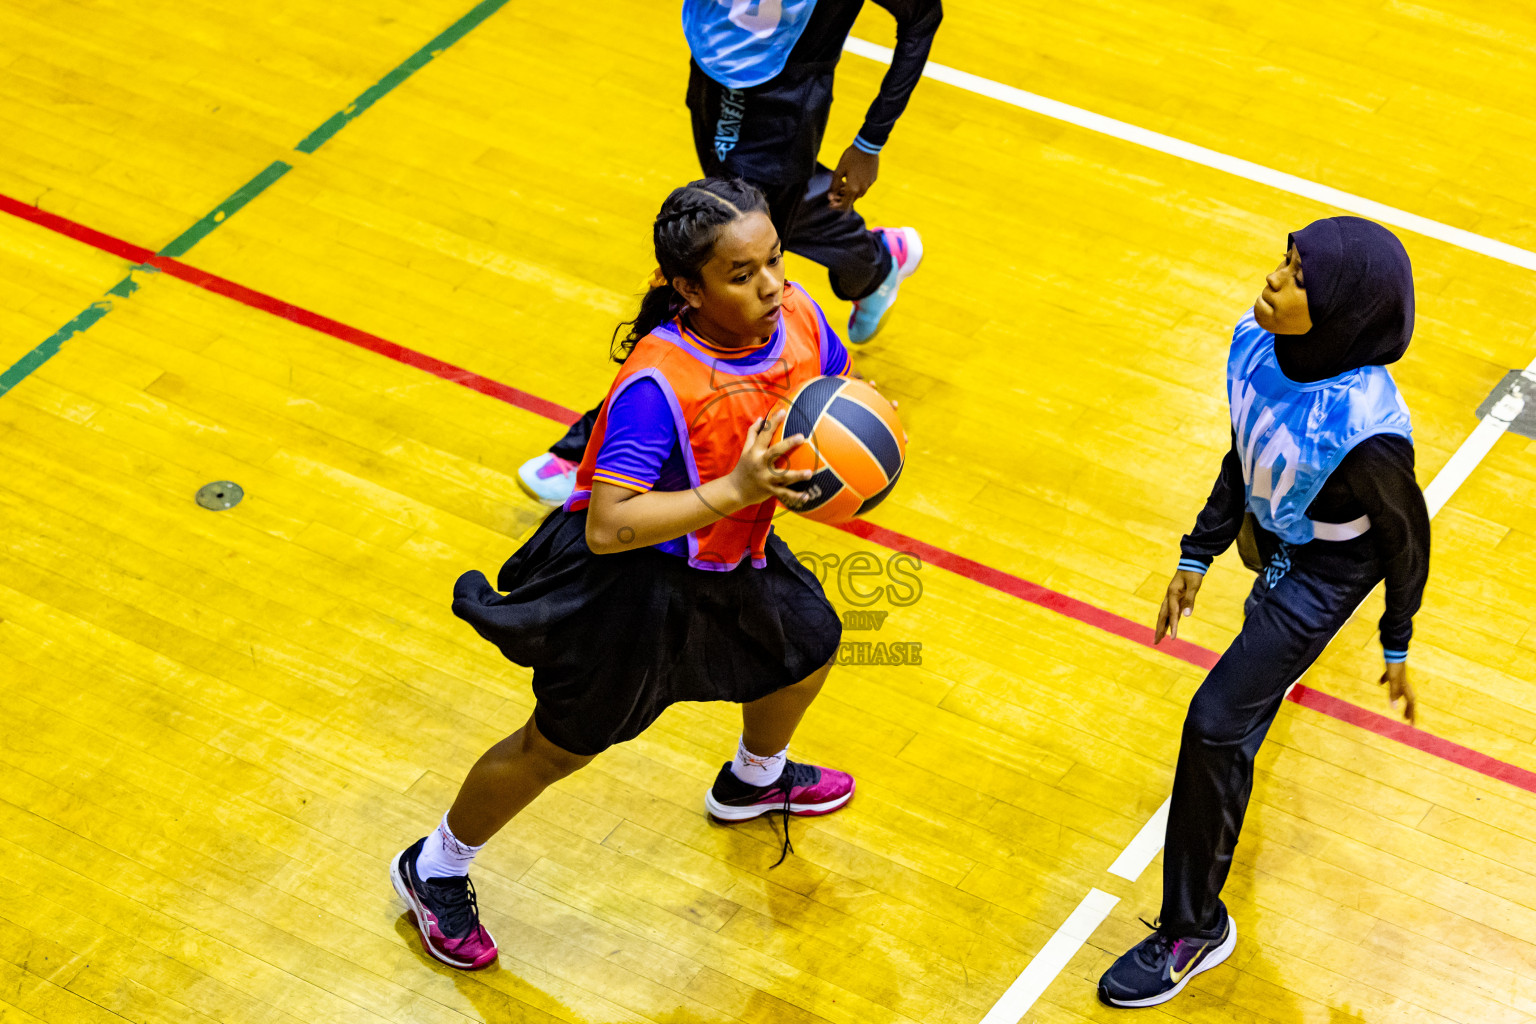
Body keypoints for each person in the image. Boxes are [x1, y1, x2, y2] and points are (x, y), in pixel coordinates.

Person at [391, 178, 859, 971]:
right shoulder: (658, 382)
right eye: (741, 274)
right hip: (631, 585)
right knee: (558, 748)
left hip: (730, 554)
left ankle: (753, 779)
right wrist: (735, 491)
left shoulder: (801, 317)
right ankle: (434, 866)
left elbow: (832, 394)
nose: (772, 284)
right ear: (688, 288)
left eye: (774, 259)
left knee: (808, 644)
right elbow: (610, 527)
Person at [1097, 217, 1431, 1007]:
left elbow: (1405, 540)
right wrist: (1196, 553)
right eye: (1283, 263)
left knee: (1214, 720)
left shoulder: (1371, 436)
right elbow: (1246, 448)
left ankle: (1193, 928)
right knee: (1241, 703)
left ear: (1344, 314)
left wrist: (1396, 639)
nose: (1276, 280)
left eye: (1299, 279)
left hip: (1327, 569)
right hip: (1277, 530)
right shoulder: (1259, 345)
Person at [518, 0, 941, 506]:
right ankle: (872, 261)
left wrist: (870, 141)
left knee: (714, 274)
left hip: (785, 110)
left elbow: (922, 16)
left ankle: (588, 450)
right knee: (746, 226)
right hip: (714, 78)